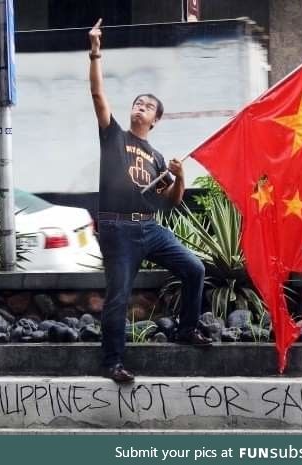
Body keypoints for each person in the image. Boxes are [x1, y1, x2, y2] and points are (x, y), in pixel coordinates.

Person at [88, 18, 212, 383]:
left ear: (155, 120)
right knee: (119, 295)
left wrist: (179, 175)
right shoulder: (113, 137)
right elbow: (98, 96)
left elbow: (170, 201)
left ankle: (186, 328)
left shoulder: (157, 157)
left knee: (195, 269)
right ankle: (112, 362)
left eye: (147, 106)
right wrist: (95, 53)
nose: (139, 107)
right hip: (117, 226)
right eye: (137, 103)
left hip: (150, 227)